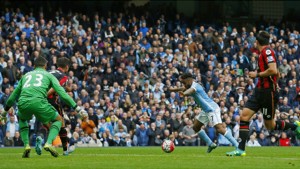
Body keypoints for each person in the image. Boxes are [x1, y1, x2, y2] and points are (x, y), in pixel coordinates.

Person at [226, 31, 300, 157]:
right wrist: (254, 74)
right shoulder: (262, 53)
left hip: (268, 93)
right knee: (244, 117)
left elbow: (273, 70)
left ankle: (295, 126)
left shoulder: (267, 52)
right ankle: (241, 149)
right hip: (258, 91)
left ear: (257, 42)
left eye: (255, 41)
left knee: (270, 125)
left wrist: (258, 74)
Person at [3, 56, 86, 158]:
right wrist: (77, 107)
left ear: (34, 66)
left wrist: (4, 112)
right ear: (45, 66)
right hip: (43, 101)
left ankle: (30, 144)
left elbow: (12, 97)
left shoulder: (28, 75)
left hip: (23, 102)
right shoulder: (55, 75)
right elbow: (60, 92)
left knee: (30, 121)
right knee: (60, 121)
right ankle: (58, 147)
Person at [173, 73, 239, 153]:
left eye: (184, 82)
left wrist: (184, 94)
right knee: (196, 127)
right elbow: (183, 88)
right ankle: (210, 144)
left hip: (212, 109)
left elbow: (190, 91)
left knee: (219, 129)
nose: (183, 84)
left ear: (189, 79)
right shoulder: (189, 85)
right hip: (206, 110)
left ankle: (237, 146)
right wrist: (173, 90)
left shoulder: (195, 86)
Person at [36, 57, 74, 156]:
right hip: (52, 101)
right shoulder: (63, 76)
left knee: (45, 123)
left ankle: (40, 137)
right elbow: (54, 88)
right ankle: (65, 149)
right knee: (61, 123)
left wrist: (67, 88)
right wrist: (46, 95)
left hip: (40, 101)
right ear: (67, 67)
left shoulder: (49, 72)